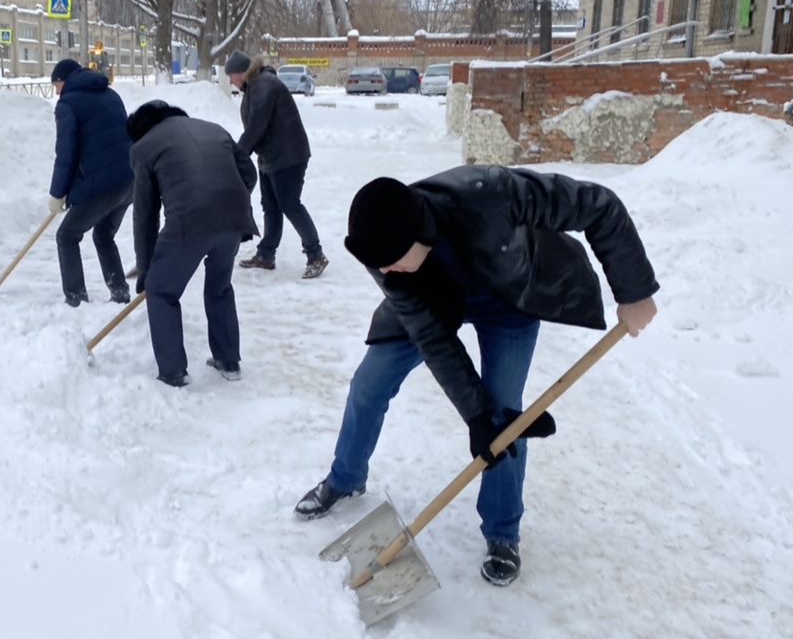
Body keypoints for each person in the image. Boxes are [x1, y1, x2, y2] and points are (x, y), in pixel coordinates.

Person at [294, 167, 659, 587]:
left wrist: (633, 290)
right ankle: (345, 478)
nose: (384, 273)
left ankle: (503, 532)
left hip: (508, 293)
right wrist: (474, 415)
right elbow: (433, 337)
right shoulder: (384, 248)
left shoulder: (491, 195)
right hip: (433, 300)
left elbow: (598, 205)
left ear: (416, 236)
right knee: (369, 384)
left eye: (391, 263)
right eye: (380, 267)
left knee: (506, 413)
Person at [126, 100, 258, 387]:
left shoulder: (143, 148)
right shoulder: (214, 129)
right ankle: (228, 360)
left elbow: (145, 215)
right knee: (219, 287)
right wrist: (228, 202)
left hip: (189, 222)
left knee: (161, 291)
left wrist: (147, 268)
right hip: (235, 219)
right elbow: (249, 174)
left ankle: (173, 372)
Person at [223, 50, 328, 279]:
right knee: (270, 206)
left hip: (288, 156)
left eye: (231, 75)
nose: (231, 81)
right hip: (272, 156)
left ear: (242, 72)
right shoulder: (255, 86)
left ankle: (316, 254)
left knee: (290, 205)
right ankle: (266, 255)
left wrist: (237, 156)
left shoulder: (264, 85)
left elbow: (256, 126)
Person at [47, 58, 135, 307]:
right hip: (129, 180)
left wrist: (57, 193)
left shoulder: (68, 105)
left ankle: (76, 299)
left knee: (67, 236)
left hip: (103, 185)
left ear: (65, 80)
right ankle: (120, 292)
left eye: (56, 85)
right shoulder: (110, 94)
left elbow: (66, 154)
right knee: (104, 235)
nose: (56, 92)